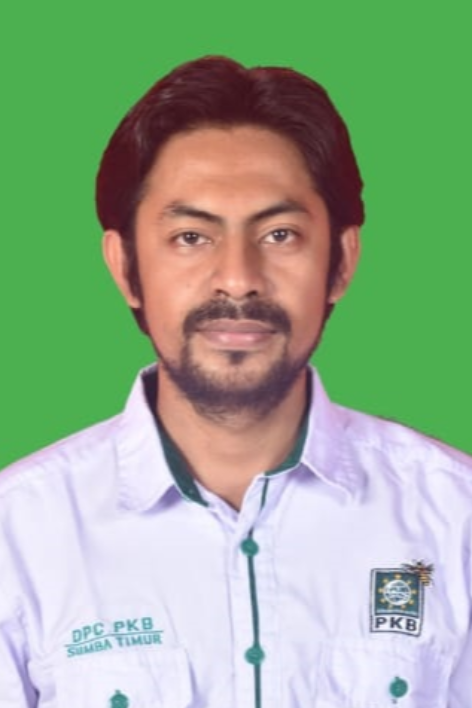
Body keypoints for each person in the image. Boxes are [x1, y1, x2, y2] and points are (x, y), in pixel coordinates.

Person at [0, 56, 471, 708]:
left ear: (341, 262)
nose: (238, 279)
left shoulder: (454, 518)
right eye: (191, 237)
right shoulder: (19, 534)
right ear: (126, 267)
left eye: (279, 234)